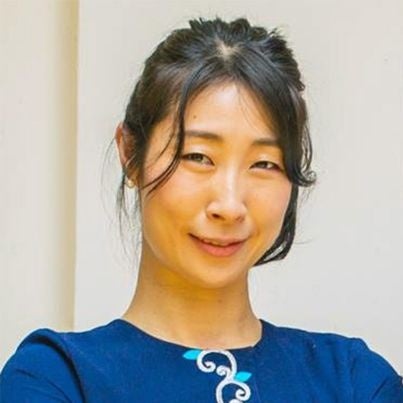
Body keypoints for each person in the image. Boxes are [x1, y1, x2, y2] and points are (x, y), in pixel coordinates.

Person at [1, 17, 402, 403]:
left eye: (264, 163)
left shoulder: (355, 379)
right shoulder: (56, 378)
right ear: (131, 154)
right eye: (197, 157)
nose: (229, 205)